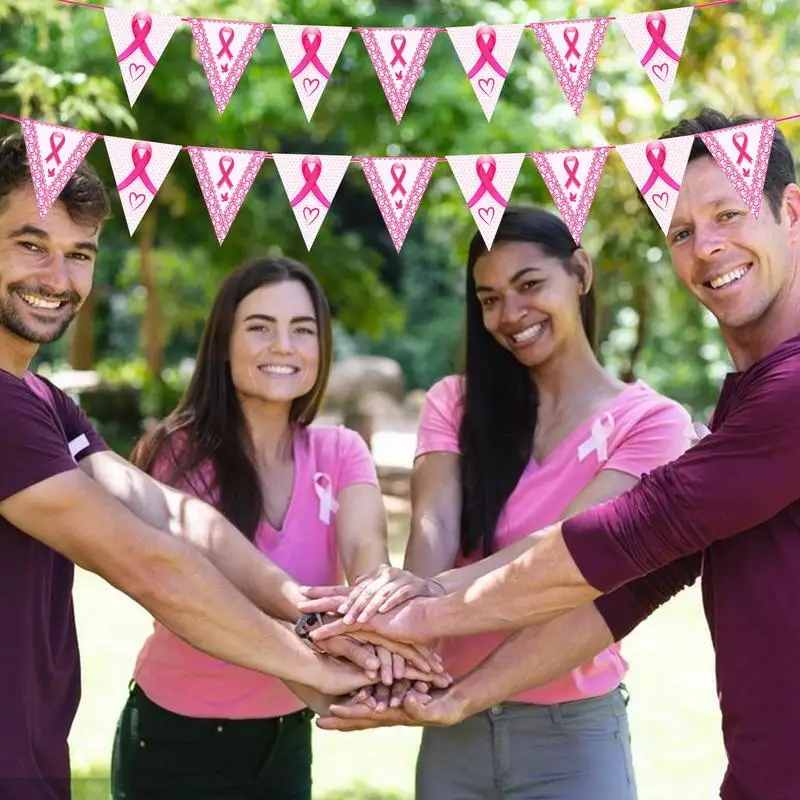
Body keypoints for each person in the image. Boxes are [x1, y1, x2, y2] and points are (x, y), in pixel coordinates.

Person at [306, 109, 800, 800]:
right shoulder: (747, 402)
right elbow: (629, 586)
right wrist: (462, 697)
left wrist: (417, 612)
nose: (707, 247)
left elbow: (631, 532)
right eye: (683, 231)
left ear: (791, 210)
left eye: (729, 214)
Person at [0, 133, 391, 800]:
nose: (58, 278)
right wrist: (319, 670)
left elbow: (171, 513)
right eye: (31, 245)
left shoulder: (42, 401)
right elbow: (150, 564)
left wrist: (295, 603)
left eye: (79, 254)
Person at [304, 206, 692, 799]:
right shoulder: (455, 403)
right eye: (489, 298)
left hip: (573, 738)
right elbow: (432, 526)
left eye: (530, 284)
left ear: (580, 273)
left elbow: (568, 549)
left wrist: (427, 598)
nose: (510, 315)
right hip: (451, 733)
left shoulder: (652, 423)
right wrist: (397, 641)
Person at [110, 255, 446, 800]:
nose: (283, 345)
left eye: (302, 329)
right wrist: (336, 676)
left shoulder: (342, 451)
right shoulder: (177, 456)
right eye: (260, 327)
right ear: (223, 343)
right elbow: (221, 600)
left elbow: (367, 550)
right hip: (176, 737)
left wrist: (376, 628)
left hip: (285, 737)